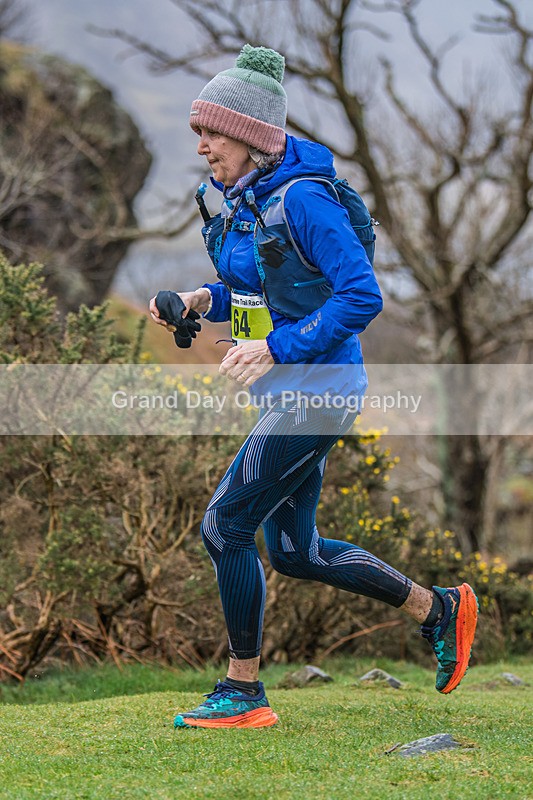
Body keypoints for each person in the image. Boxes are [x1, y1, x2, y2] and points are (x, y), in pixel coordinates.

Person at [150, 45, 478, 729]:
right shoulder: (249, 199)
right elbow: (253, 287)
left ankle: (242, 693)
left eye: (210, 131)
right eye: (198, 134)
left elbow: (360, 297)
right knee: (296, 553)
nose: (202, 146)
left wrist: (275, 347)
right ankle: (435, 608)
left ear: (248, 133)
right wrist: (195, 299)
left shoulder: (302, 199)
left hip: (319, 390)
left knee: (224, 526)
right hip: (290, 394)